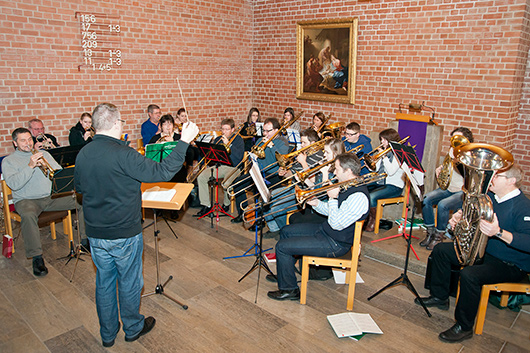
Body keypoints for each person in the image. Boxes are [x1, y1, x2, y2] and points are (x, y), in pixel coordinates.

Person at [74, 103, 199, 348]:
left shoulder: (84, 153)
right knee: (130, 281)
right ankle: (132, 327)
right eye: (120, 121)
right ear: (114, 124)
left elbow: (79, 190)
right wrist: (183, 141)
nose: (122, 125)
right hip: (124, 231)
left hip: (96, 232)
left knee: (104, 282)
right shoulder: (123, 153)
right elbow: (163, 171)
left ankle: (108, 334)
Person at [415, 164, 530, 343]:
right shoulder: (490, 197)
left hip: (510, 263)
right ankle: (439, 296)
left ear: (511, 181)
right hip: (484, 251)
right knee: (441, 251)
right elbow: (471, 215)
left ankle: (464, 326)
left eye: (497, 176)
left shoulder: (523, 207)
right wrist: (459, 217)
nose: (491, 179)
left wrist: (498, 232)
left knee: (469, 275)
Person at [267, 153, 370, 301]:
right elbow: (332, 211)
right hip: (326, 231)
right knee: (286, 231)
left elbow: (336, 223)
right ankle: (285, 275)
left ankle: (289, 290)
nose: (334, 172)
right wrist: (316, 203)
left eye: (337, 169)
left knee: (282, 247)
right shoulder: (347, 185)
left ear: (348, 172)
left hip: (336, 243)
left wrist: (333, 198)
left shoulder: (358, 197)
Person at [1, 127, 86, 276]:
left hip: (51, 197)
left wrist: (48, 167)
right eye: (23, 140)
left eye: (29, 139)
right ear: (15, 143)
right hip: (27, 200)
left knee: (83, 201)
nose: (28, 143)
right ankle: (37, 257)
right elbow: (14, 184)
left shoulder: (44, 154)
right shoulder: (9, 161)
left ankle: (85, 242)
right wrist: (30, 166)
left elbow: (59, 174)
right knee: (27, 215)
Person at [261, 129, 325, 238]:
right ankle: (274, 228)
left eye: (304, 142)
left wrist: (303, 162)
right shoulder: (304, 153)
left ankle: (285, 232)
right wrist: (285, 173)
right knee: (267, 196)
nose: (302, 145)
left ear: (313, 143)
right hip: (293, 186)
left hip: (305, 192)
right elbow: (292, 173)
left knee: (276, 209)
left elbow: (312, 181)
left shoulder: (320, 157)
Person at [420, 127, 474, 250]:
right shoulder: (451, 150)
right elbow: (446, 166)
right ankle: (430, 232)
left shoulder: (470, 155)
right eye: (453, 138)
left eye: (459, 139)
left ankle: (439, 236)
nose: (455, 142)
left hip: (462, 191)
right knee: (426, 199)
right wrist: (439, 170)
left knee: (443, 205)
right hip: (448, 188)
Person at [231, 117, 289, 223]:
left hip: (274, 174)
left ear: (276, 130)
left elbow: (282, 160)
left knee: (263, 192)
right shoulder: (260, 140)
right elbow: (252, 156)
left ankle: (261, 220)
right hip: (258, 172)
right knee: (237, 183)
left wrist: (272, 147)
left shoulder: (283, 142)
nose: (265, 133)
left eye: (268, 131)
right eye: (264, 130)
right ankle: (244, 214)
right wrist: (252, 157)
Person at [194, 118, 244, 217]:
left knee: (225, 183)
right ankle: (206, 205)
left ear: (233, 129)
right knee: (201, 177)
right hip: (220, 166)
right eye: (222, 129)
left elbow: (239, 158)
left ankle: (226, 204)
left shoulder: (238, 140)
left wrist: (229, 145)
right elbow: (212, 157)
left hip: (234, 168)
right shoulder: (218, 139)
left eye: (227, 129)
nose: (224, 132)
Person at [364, 128, 405, 232]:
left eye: (384, 140)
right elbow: (377, 169)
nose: (381, 142)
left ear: (390, 140)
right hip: (381, 183)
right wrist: (370, 166)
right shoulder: (385, 152)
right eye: (381, 139)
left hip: (394, 187)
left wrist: (384, 156)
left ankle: (373, 221)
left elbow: (391, 171)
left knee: (371, 196)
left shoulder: (399, 153)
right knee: (362, 190)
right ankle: (366, 218)